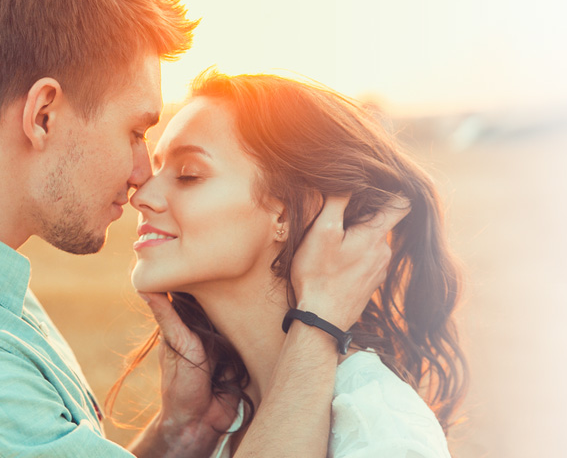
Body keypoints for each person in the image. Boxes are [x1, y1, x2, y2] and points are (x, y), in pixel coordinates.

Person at [0, 0, 405, 456]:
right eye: (135, 132)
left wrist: (177, 438)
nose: (139, 178)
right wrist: (318, 324)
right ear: (44, 114)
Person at [109, 70, 468, 457]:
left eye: (188, 175)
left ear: (285, 215)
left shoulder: (380, 429)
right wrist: (179, 433)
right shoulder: (220, 424)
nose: (141, 194)